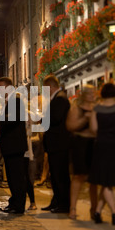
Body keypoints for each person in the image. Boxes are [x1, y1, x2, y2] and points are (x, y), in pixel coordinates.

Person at [88, 83, 115, 225]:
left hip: (102, 146)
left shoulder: (96, 109)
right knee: (109, 182)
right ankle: (110, 213)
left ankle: (103, 212)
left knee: (106, 182)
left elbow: (94, 128)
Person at [0, 77, 29, 214]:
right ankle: (14, 202)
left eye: (1, 87)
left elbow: (13, 119)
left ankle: (18, 205)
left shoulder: (15, 101)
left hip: (15, 146)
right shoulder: (9, 101)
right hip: (11, 146)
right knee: (11, 176)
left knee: (16, 177)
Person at [66, 84, 98, 220]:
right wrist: (85, 118)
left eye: (93, 92)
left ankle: (95, 209)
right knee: (78, 176)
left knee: (94, 179)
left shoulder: (97, 108)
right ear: (83, 94)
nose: (92, 94)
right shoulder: (76, 108)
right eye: (89, 92)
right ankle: (72, 208)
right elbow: (71, 126)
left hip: (94, 144)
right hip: (80, 143)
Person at [41, 74, 71, 213]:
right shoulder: (57, 98)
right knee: (55, 175)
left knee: (60, 176)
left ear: (50, 87)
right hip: (56, 144)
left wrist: (41, 119)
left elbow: (56, 118)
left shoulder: (60, 99)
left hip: (59, 144)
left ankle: (63, 204)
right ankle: (56, 201)